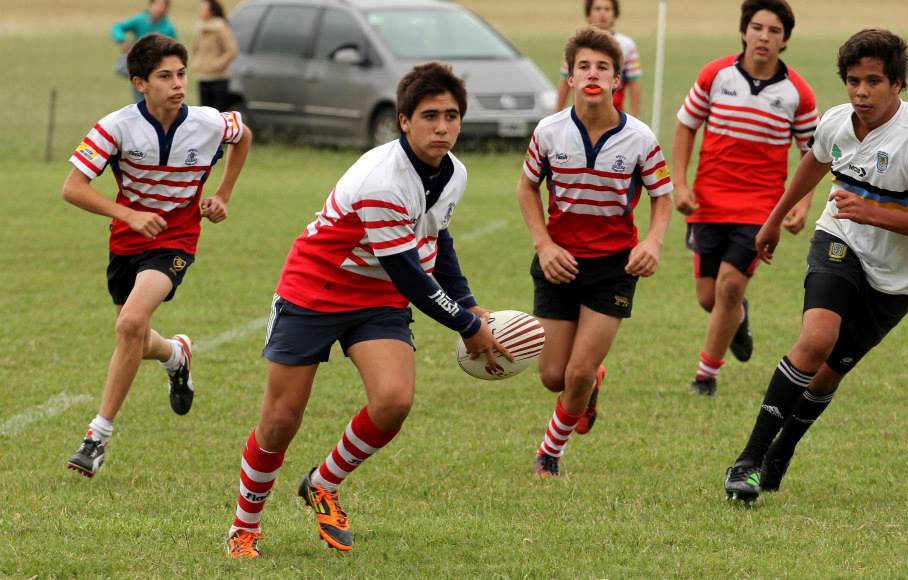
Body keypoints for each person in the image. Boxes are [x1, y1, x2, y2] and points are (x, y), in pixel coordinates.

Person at [224, 62, 510, 558]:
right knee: (281, 419)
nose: (442, 127)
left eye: (451, 116)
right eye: (429, 116)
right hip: (317, 288)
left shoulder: (454, 172)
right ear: (404, 121)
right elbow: (408, 275)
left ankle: (323, 483)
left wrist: (466, 301)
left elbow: (437, 238)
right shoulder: (384, 179)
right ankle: (244, 526)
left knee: (394, 399)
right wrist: (468, 326)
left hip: (377, 298)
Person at [723, 29, 908, 503]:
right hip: (839, 239)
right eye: (853, 81)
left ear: (897, 83)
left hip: (896, 280)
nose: (861, 92)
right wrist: (772, 221)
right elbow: (813, 162)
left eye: (873, 81)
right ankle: (748, 460)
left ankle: (781, 453)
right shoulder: (836, 121)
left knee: (830, 372)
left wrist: (871, 212)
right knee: (816, 340)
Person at [63, 33, 252, 478]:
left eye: (181, 74)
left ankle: (96, 437)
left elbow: (241, 135)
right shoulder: (116, 127)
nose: (177, 84)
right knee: (134, 336)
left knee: (130, 324)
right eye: (164, 76)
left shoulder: (207, 122)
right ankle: (175, 355)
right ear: (140, 83)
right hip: (126, 243)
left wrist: (223, 193)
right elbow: (72, 188)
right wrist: (125, 213)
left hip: (176, 240)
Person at [518, 27, 672, 477]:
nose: (592, 74)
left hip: (613, 267)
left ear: (616, 79)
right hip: (558, 263)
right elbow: (527, 187)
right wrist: (543, 244)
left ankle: (550, 454)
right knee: (552, 375)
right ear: (568, 75)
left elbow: (663, 195)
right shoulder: (548, 132)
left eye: (602, 67)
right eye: (583, 66)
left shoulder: (639, 138)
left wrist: (653, 241)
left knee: (577, 373)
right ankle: (590, 384)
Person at [672, 0, 818, 396]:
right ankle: (739, 321)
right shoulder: (715, 75)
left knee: (730, 286)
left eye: (773, 31)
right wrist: (681, 185)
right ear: (743, 31)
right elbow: (686, 126)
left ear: (784, 39)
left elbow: (812, 154)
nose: (764, 37)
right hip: (708, 203)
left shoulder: (797, 93)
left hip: (760, 207)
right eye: (757, 27)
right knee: (709, 296)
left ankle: (705, 376)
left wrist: (801, 205)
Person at [555, 0, 642, 118]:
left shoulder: (627, 45)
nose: (602, 14)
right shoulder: (576, 45)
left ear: (614, 14)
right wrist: (557, 113)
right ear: (588, 14)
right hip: (582, 114)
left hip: (614, 114)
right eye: (597, 9)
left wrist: (635, 117)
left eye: (607, 9)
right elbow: (565, 81)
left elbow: (634, 84)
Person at [112, 0, 177, 102]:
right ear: (151, 5)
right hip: (140, 66)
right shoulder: (140, 20)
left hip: (157, 69)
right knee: (140, 102)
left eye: (163, 6)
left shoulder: (168, 28)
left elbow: (173, 50)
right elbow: (117, 27)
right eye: (158, 5)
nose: (160, 9)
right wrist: (121, 40)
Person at [192, 0, 238, 111]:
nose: (201, 10)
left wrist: (218, 64)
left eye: (204, 8)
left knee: (219, 114)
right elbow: (196, 49)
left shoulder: (220, 27)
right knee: (205, 113)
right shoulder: (201, 28)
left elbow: (232, 50)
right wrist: (196, 62)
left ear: (212, 11)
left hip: (219, 79)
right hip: (203, 77)